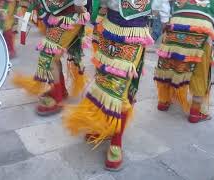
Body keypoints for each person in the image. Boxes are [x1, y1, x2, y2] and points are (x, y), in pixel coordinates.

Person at [63, 0, 170, 171]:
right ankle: (103, 126)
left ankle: (116, 139)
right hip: (112, 29)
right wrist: (165, 21)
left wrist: (80, 4)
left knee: (120, 85)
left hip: (129, 33)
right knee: (104, 81)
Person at [154, 0, 214, 123]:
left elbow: (162, 3)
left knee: (170, 62)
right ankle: (195, 112)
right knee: (200, 69)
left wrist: (165, 20)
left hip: (177, 23)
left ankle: (163, 101)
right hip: (202, 27)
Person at [13, 0, 90, 115]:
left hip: (69, 17)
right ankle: (59, 90)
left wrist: (81, 9)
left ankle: (57, 95)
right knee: (51, 54)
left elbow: (80, 6)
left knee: (49, 55)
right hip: (58, 14)